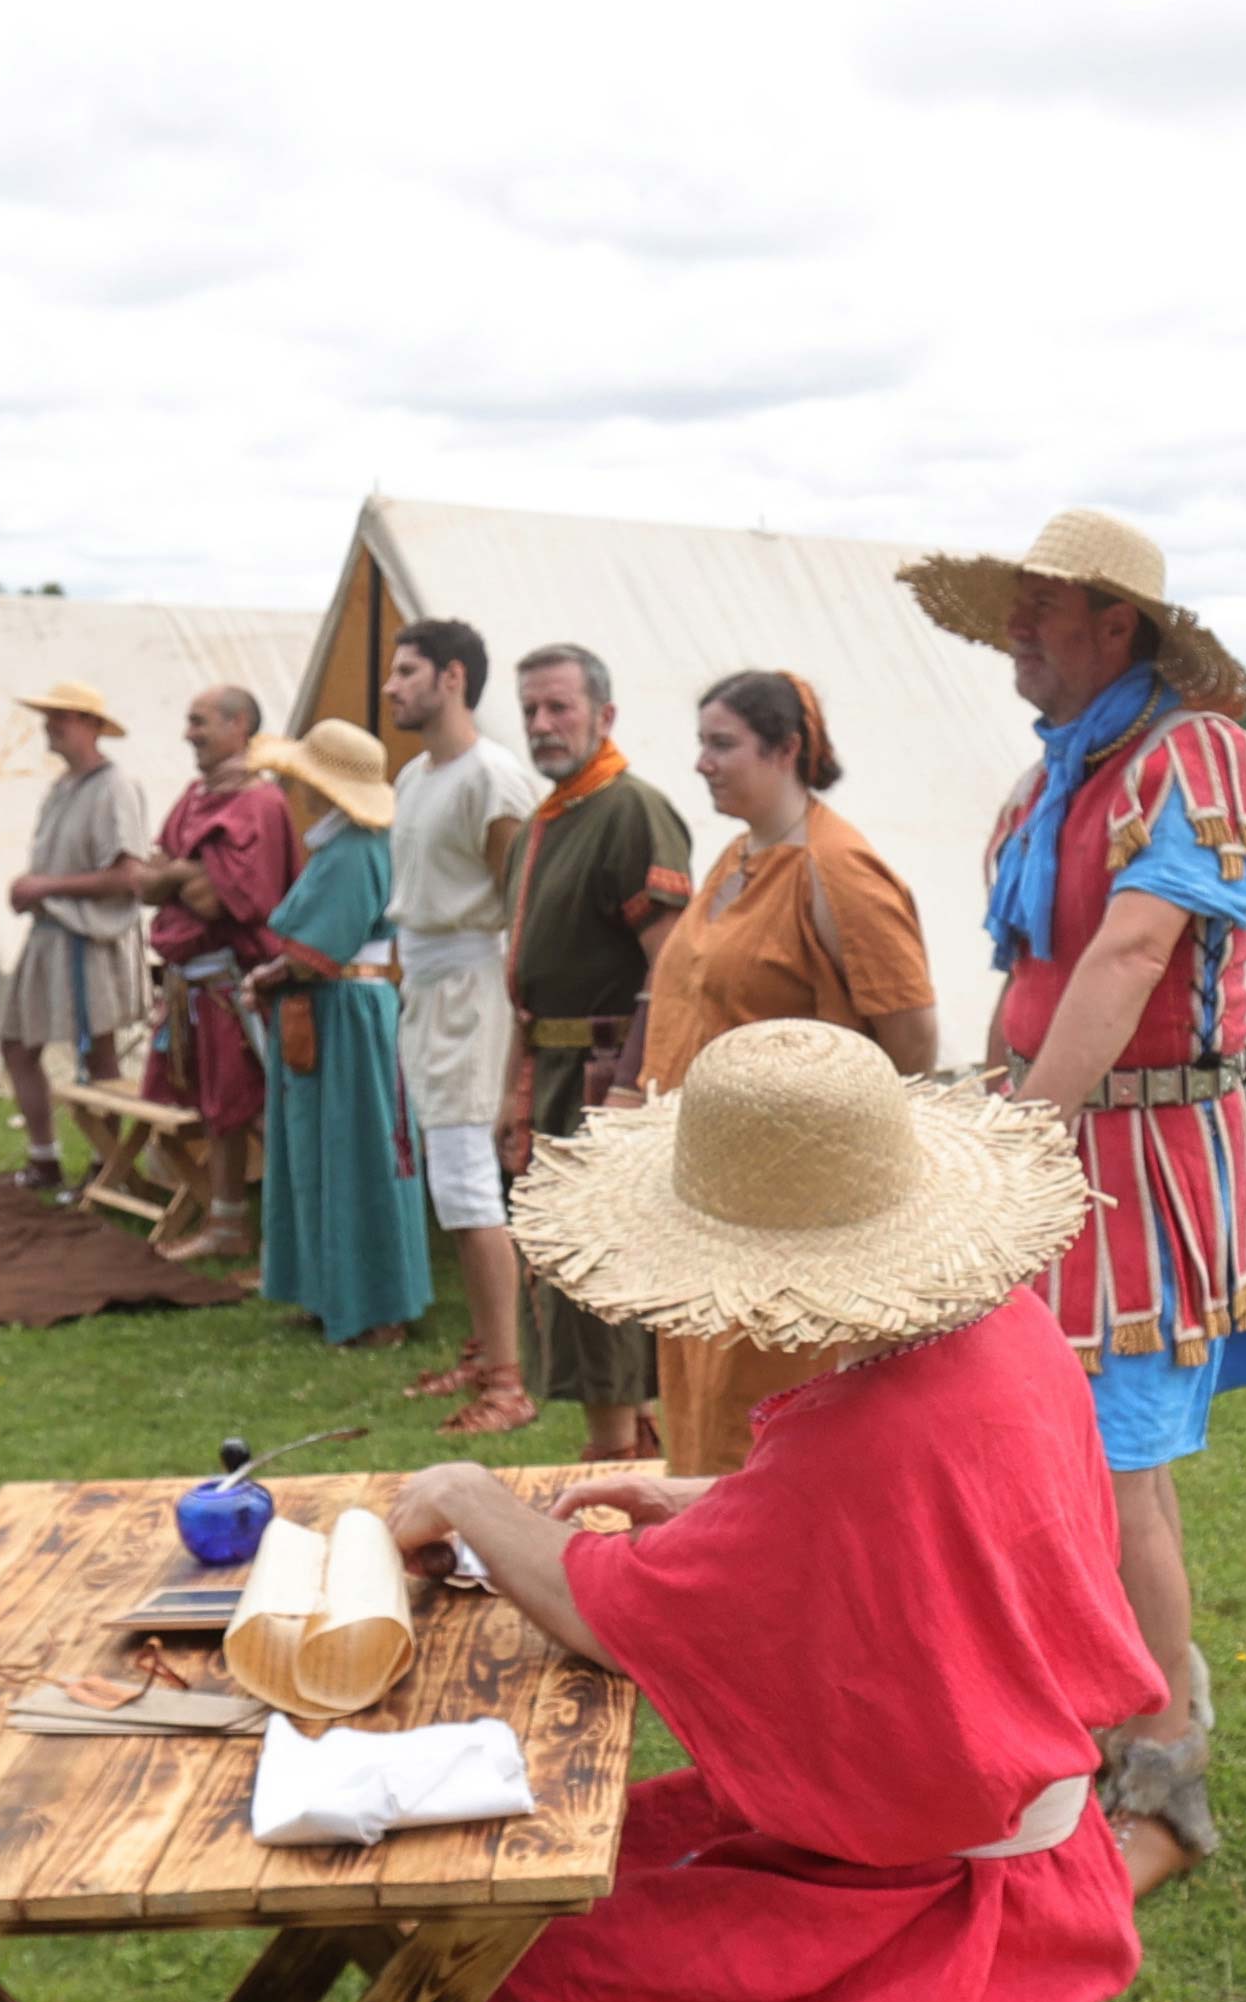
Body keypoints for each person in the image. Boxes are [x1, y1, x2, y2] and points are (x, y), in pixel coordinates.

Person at [392, 1021, 1156, 2002]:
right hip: (1011, 1856)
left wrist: (470, 1499)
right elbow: (897, 1534)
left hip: (958, 1921)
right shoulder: (1001, 1335)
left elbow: (608, 1603)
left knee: (492, 1996)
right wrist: (712, 1508)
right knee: (598, 1868)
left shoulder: (866, 1445)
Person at [903, 506, 1246, 1893]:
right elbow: (1042, 977)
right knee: (1063, 1462)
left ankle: (1166, 1782)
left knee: (1118, 1471)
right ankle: (1094, 1715)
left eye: (1041, 608)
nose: (1015, 628)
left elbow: (1132, 952)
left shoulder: (1196, 753)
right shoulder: (1056, 775)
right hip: (1058, 1151)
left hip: (1132, 1168)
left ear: (1114, 625)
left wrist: (1025, 1136)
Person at [632, 670, 937, 1477]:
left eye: (721, 743)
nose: (702, 762)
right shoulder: (736, 856)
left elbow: (910, 1038)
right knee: (700, 1400)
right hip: (706, 1197)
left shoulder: (838, 872)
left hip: (791, 1214)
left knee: (767, 1419)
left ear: (786, 749)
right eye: (702, 742)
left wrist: (821, 1146)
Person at [495, 641, 693, 1457]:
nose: (542, 726)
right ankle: (620, 1441)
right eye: (531, 711)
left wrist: (628, 1088)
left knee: (603, 1273)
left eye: (559, 708)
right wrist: (513, 1096)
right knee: (568, 1276)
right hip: (553, 1073)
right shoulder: (547, 822)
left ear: (603, 715)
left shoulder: (629, 809)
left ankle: (618, 1458)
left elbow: (671, 967)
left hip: (605, 1078)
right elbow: (527, 987)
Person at [380, 619, 544, 1421]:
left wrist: (512, 1032)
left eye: (406, 672)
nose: (391, 686)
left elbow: (516, 910)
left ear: (451, 678)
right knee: (451, 1186)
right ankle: (485, 1353)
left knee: (470, 1186)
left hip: (472, 992)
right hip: (428, 989)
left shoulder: (495, 778)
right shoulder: (413, 776)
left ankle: (509, 1383)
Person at [247, 719, 431, 1347]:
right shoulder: (347, 843)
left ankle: (375, 1307)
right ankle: (334, 1293)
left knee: (359, 1155)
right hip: (334, 1012)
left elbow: (319, 950)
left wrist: (270, 975)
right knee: (325, 1151)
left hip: (347, 1016)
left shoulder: (355, 848)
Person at [136, 684, 301, 1259]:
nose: (188, 732)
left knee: (257, 1110)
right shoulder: (193, 796)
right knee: (218, 1113)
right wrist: (185, 874)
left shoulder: (259, 803)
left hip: (238, 984)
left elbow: (225, 900)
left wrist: (175, 879)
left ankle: (299, 1231)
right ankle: (227, 1225)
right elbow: (146, 880)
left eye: (199, 721)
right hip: (195, 987)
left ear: (239, 726)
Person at [0, 680, 154, 1193]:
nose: (50, 724)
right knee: (16, 1043)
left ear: (91, 725)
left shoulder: (115, 787)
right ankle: (44, 1160)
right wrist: (36, 890)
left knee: (98, 1055)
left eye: (63, 715)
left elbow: (130, 875)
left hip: (89, 942)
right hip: (52, 936)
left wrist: (46, 886)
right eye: (49, 714)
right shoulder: (63, 786)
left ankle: (107, 1172)